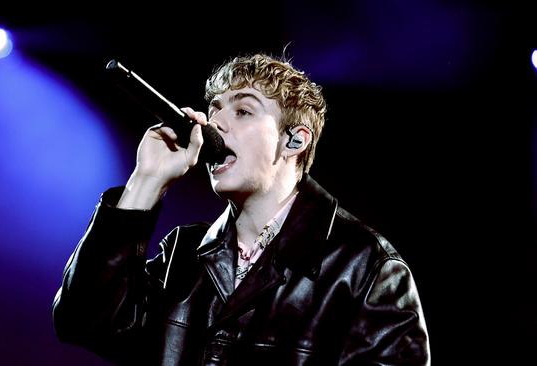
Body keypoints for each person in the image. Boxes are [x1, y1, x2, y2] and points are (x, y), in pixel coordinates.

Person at [52, 53, 430, 365]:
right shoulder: (182, 255)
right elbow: (81, 321)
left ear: (295, 140)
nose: (214, 124)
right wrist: (146, 180)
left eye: (243, 112)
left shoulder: (365, 268)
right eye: (214, 110)